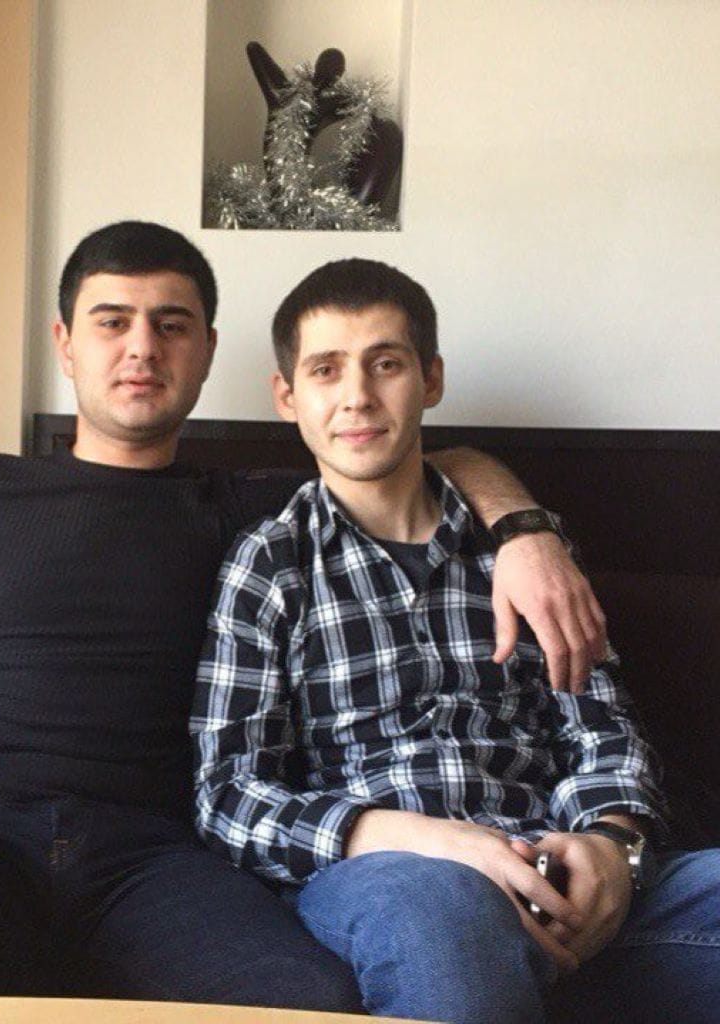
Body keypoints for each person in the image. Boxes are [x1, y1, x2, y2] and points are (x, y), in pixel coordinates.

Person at [0, 223, 601, 1006]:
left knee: (305, 996)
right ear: (65, 343)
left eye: (171, 325)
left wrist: (526, 535)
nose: (142, 348)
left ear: (206, 350)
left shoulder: (254, 512)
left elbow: (428, 457)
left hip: (162, 864)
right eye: (112, 321)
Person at [191, 257, 720, 1023]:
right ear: (287, 396)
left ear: (430, 378)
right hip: (394, 878)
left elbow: (604, 728)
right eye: (326, 370)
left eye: (386, 364)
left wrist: (613, 842)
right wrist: (423, 839)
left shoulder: (525, 555)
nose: (357, 395)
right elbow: (228, 794)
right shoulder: (271, 563)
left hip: (552, 863)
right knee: (445, 920)